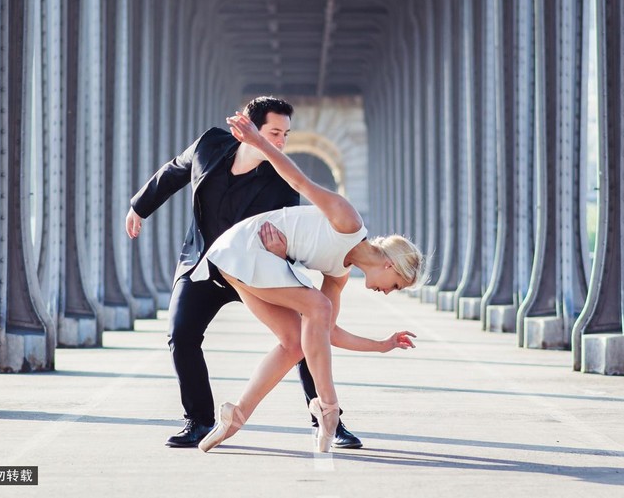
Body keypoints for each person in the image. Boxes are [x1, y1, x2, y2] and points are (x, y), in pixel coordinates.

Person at [125, 96, 364, 449]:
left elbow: (291, 234)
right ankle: (199, 421)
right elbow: (175, 170)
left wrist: (284, 253)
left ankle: (328, 420)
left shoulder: (281, 181)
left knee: (301, 336)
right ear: (247, 128)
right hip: (204, 263)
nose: (280, 143)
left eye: (285, 135)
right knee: (181, 335)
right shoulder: (210, 145)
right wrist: (139, 207)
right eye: (274, 133)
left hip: (256, 272)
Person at [194, 111, 424, 453]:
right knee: (317, 306)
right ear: (391, 264)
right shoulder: (348, 221)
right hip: (244, 247)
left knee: (294, 342)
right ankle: (328, 408)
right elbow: (300, 183)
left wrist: (382, 344)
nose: (388, 292)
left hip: (248, 259)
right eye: (395, 285)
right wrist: (258, 142)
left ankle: (236, 415)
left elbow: (326, 332)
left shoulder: (338, 275)